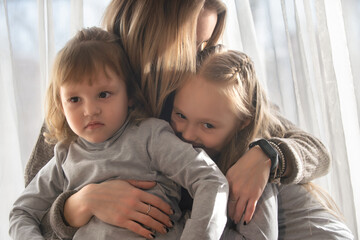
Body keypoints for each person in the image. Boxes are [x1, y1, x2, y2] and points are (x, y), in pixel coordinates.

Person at [25, 0, 331, 239]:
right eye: (189, 45)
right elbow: (30, 215)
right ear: (150, 29)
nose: (196, 58)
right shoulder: (88, 100)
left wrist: (266, 155)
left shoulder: (198, 87)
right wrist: (79, 205)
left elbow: (314, 149)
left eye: (204, 45)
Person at [9, 27, 229, 240]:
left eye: (103, 94)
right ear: (61, 105)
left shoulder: (150, 137)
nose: (90, 110)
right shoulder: (64, 156)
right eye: (74, 99)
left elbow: (210, 179)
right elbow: (21, 213)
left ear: (129, 94)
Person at [171, 44, 353, 239]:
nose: (188, 135)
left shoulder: (250, 163)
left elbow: (321, 154)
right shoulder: (175, 135)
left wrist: (268, 155)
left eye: (208, 125)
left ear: (242, 123)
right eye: (180, 115)